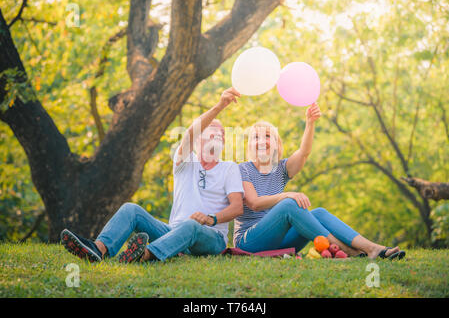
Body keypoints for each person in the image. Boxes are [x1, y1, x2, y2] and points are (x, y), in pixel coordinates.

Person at [61, 87, 244, 263]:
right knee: (130, 209)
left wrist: (211, 219)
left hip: (210, 238)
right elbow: (190, 132)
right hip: (173, 233)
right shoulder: (185, 161)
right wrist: (219, 106)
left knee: (192, 226)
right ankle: (98, 249)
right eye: (211, 129)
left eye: (221, 133)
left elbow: (237, 208)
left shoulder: (229, 168)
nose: (218, 134)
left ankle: (144, 255)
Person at [233, 103, 406, 260]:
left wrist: (310, 122)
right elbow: (254, 203)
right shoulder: (243, 169)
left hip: (279, 242)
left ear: (277, 144)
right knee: (288, 204)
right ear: (250, 145)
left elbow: (304, 152)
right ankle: (350, 250)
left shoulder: (281, 168)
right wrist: (287, 195)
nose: (262, 141)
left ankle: (371, 247)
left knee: (319, 213)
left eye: (268, 136)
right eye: (256, 137)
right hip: (249, 242)